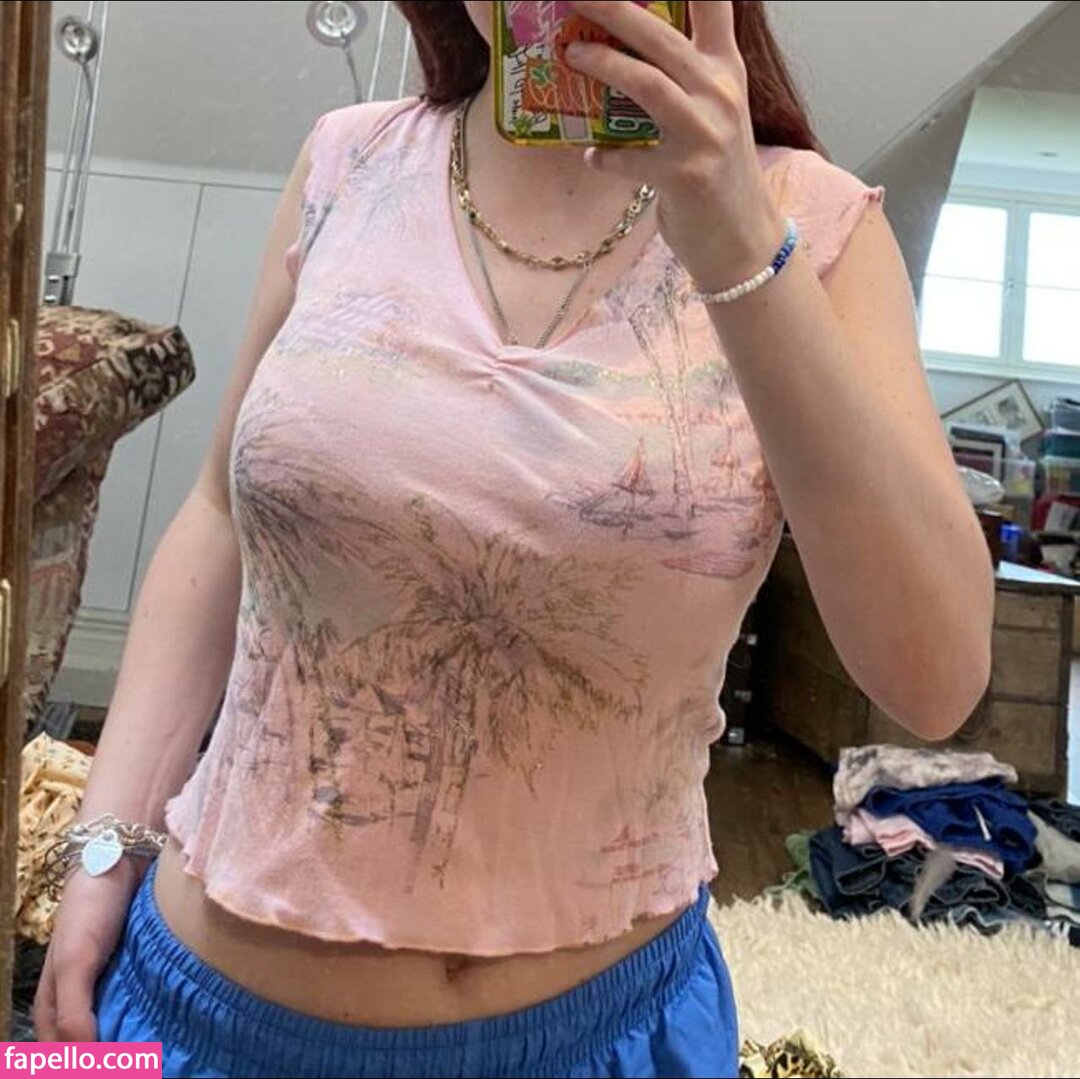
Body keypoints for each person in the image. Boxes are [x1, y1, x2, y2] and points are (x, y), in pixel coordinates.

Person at [33, 2, 995, 1076]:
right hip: (182, 1013)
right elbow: (217, 515)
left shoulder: (814, 226)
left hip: (604, 1039)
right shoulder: (348, 160)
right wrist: (103, 847)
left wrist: (736, 244)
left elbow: (935, 680)